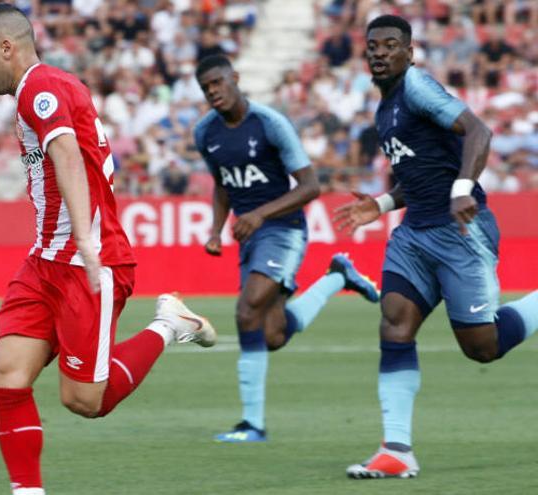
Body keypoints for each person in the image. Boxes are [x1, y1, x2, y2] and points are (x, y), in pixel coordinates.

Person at [0, 5, 217, 495]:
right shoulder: (46, 89)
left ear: (6, 47)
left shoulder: (40, 87)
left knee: (86, 401)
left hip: (87, 261)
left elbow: (66, 154)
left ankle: (169, 325)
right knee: (7, 375)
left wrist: (84, 238)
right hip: (44, 261)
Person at [333, 15, 538, 480]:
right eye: (373, 46)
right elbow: (421, 175)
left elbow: (479, 133)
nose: (380, 52)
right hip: (414, 234)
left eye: (390, 45)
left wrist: (464, 186)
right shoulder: (384, 111)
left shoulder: (417, 87)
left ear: (410, 51)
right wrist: (382, 204)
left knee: (481, 347)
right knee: (395, 324)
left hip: (460, 232)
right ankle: (397, 450)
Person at [194, 55, 380, 443]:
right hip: (249, 234)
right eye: (206, 87)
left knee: (247, 311)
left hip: (282, 229)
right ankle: (336, 277)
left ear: (235, 78)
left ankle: (252, 424)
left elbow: (311, 187)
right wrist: (215, 230)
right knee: (272, 335)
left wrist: (260, 214)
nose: (213, 91)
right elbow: (223, 185)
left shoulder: (270, 123)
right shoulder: (205, 133)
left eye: (217, 82)